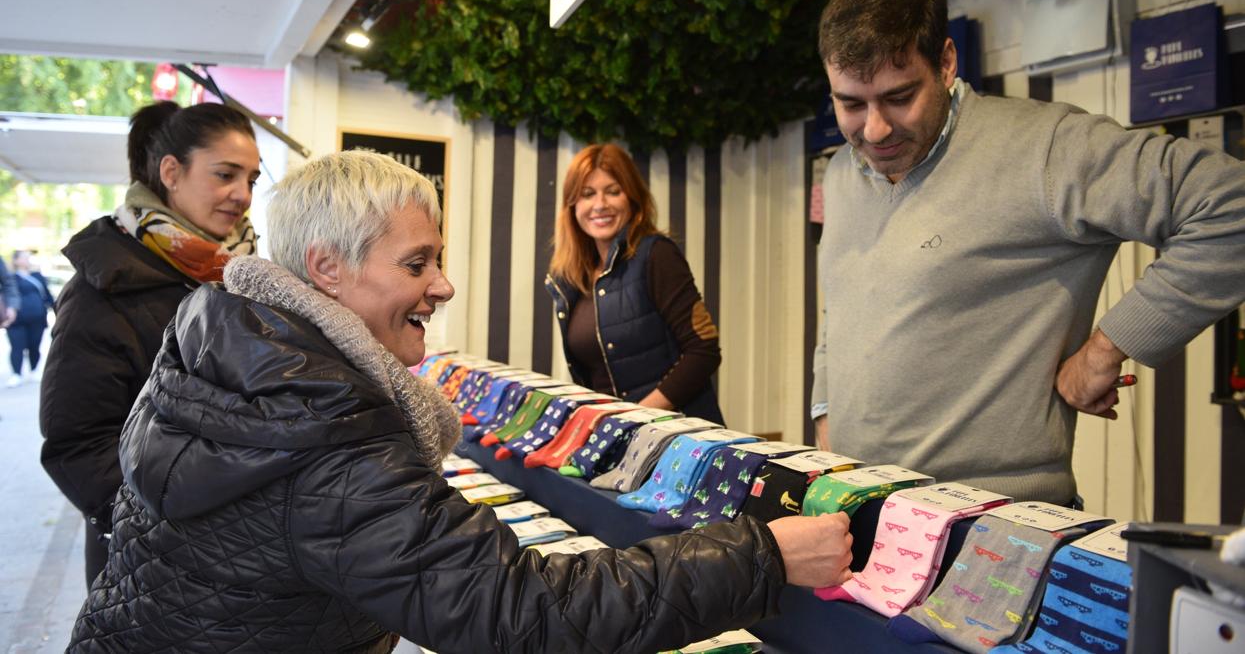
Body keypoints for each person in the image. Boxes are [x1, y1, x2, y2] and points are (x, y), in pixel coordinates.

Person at [68, 151, 854, 653]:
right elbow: (520, 613)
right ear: (327, 271)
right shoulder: (325, 429)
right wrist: (762, 555)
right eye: (417, 264)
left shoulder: (226, 351)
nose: (442, 287)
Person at [809, 0, 1245, 505]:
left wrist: (1108, 348)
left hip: (990, 525)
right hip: (856, 506)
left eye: (899, 97)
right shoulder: (842, 171)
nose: (874, 129)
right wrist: (825, 412)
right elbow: (840, 306)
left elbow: (1231, 205)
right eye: (851, 103)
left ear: (946, 63)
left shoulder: (1046, 149)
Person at [40, 101, 260, 587]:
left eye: (252, 179)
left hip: (241, 559)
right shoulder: (105, 286)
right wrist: (172, 532)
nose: (242, 195)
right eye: (225, 174)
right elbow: (78, 445)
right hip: (154, 565)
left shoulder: (239, 276)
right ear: (171, 172)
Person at [545, 143, 725, 423]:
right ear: (572, 204)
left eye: (613, 191)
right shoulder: (568, 278)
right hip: (615, 437)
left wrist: (637, 418)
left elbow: (703, 351)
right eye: (587, 194)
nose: (600, 205)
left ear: (632, 197)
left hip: (675, 438)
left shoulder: (657, 254)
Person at [5, 250, 55, 387]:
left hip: (37, 318)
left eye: (28, 258)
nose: (28, 260)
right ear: (16, 260)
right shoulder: (9, 278)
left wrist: (57, 310)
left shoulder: (37, 276)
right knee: (17, 346)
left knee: (34, 346)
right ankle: (17, 374)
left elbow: (47, 295)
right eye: (25, 258)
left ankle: (34, 370)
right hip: (16, 319)